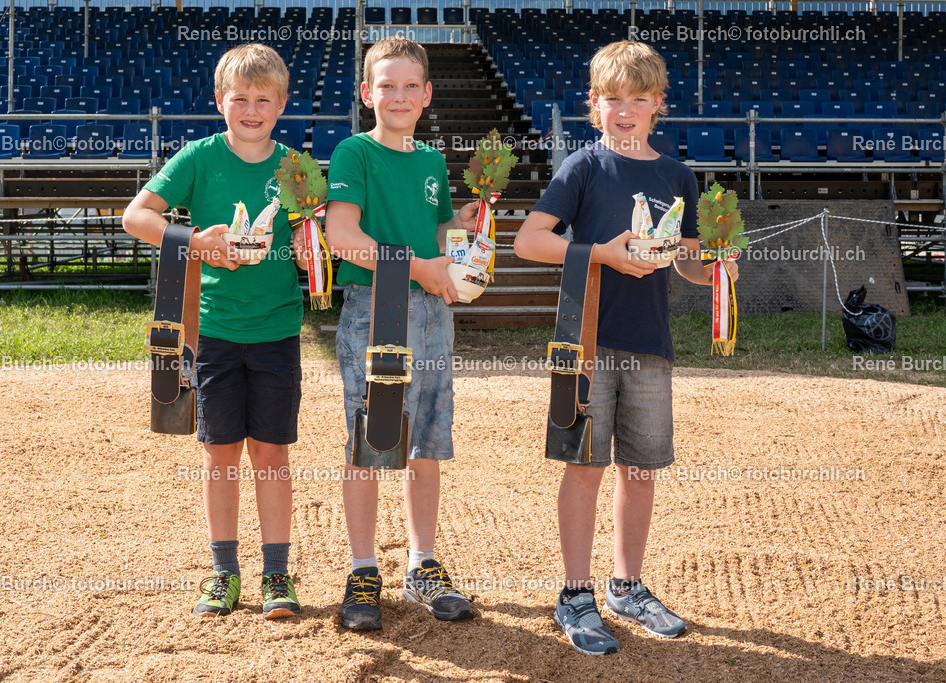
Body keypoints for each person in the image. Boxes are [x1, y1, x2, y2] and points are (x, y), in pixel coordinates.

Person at [513, 40, 740, 655]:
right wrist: (602, 254)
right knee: (584, 466)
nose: (625, 109)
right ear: (593, 103)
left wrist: (715, 267)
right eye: (612, 98)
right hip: (585, 341)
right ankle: (575, 593)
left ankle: (627, 585)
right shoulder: (582, 167)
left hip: (648, 342)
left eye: (638, 99)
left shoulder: (676, 175)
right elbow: (529, 242)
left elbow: (686, 261)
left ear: (658, 105)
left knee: (639, 472)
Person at [123, 43, 308, 619]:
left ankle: (276, 574)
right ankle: (223, 573)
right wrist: (195, 242)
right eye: (239, 99)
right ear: (219, 101)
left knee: (272, 454)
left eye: (263, 100)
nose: (251, 109)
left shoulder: (298, 170)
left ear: (281, 105)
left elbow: (316, 243)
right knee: (219, 453)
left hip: (277, 331)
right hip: (215, 333)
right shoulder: (198, 158)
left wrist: (310, 249)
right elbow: (137, 216)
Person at [324, 36, 478, 631]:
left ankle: (422, 564)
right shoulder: (352, 154)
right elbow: (343, 237)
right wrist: (421, 266)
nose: (399, 95)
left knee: (428, 441)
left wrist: (455, 228)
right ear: (367, 93)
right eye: (387, 84)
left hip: (433, 314)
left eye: (411, 85)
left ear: (428, 94)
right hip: (374, 309)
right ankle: (363, 568)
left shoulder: (433, 161)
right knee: (370, 440)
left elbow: (434, 236)